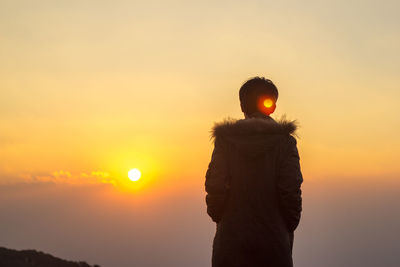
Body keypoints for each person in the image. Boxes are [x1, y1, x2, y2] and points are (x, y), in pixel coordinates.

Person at [205, 77, 303, 267]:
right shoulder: (285, 142)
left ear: (242, 105)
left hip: (231, 243)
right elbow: (291, 189)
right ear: (272, 107)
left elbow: (215, 185)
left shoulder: (226, 141)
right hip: (273, 245)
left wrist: (220, 216)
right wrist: (286, 226)